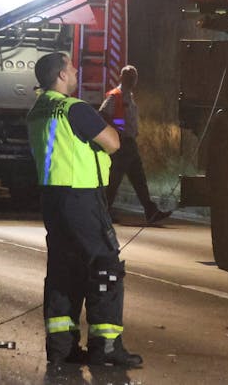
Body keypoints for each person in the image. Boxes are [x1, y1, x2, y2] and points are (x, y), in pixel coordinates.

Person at [27, 51, 142, 369]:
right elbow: (113, 142)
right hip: (81, 198)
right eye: (71, 67)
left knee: (65, 269)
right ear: (61, 76)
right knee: (105, 265)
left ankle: (62, 347)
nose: (76, 71)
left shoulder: (38, 110)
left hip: (52, 199)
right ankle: (105, 346)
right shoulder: (73, 108)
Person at [100, 65, 169, 225]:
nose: (132, 80)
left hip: (129, 143)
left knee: (138, 179)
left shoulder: (128, 96)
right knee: (115, 180)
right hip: (121, 143)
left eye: (133, 77)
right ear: (122, 78)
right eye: (129, 77)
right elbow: (103, 114)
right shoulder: (116, 96)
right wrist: (116, 131)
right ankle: (104, 213)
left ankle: (151, 211)